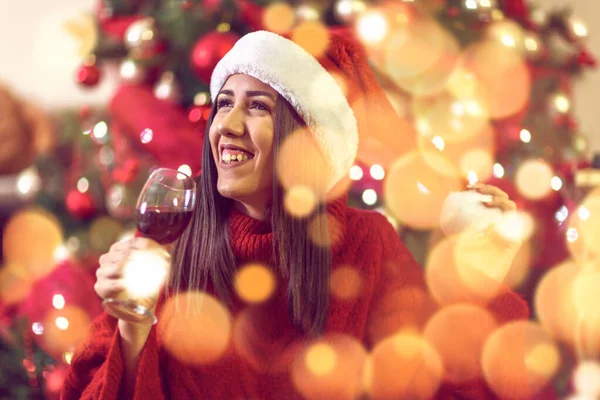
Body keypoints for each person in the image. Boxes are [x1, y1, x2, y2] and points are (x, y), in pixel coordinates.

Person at [61, 29, 528, 400]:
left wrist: (478, 284)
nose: (228, 125)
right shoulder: (174, 243)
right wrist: (132, 328)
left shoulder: (365, 245)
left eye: (258, 107)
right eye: (225, 103)